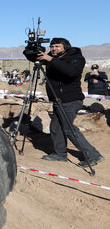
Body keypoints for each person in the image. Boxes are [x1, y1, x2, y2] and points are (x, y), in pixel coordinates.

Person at [37, 38, 104, 166]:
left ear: (66, 47)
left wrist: (50, 59)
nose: (54, 49)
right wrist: (32, 51)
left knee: (69, 128)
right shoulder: (53, 57)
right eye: (52, 46)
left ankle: (93, 155)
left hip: (70, 99)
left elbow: (70, 72)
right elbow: (35, 58)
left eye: (57, 46)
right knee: (56, 127)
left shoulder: (76, 58)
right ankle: (60, 154)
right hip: (58, 99)